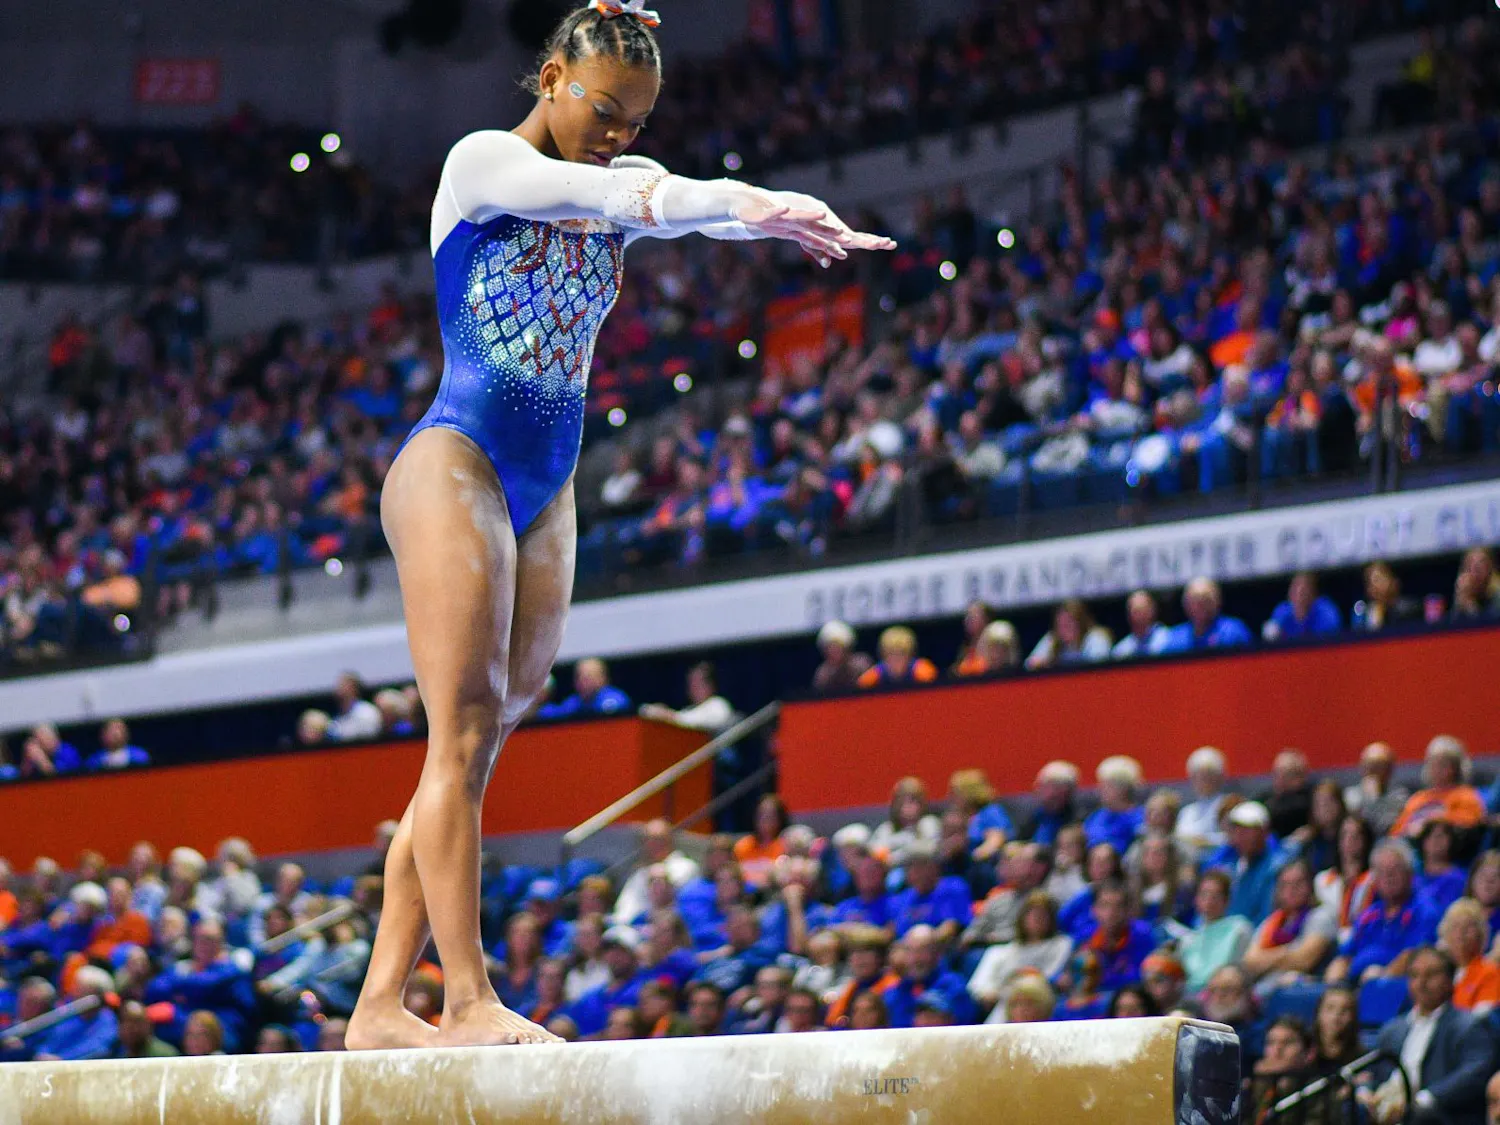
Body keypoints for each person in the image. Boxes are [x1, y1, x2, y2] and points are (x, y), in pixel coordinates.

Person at [345, 0, 893, 1048]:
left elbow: (662, 203)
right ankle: (463, 1000)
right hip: (454, 458)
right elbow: (616, 195)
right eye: (605, 108)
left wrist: (768, 210)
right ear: (552, 75)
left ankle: (378, 1005)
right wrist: (711, 199)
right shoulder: (482, 166)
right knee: (456, 734)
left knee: (487, 732)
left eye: (636, 121)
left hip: (548, 482)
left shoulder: (611, 185)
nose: (617, 134)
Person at [1363, 948, 1494, 1125]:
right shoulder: (1392, 1029)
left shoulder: (1469, 1025)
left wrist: (1424, 1100)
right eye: (1414, 975)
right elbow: (1372, 1073)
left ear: (1450, 981)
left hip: (1438, 1117)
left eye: (1431, 974)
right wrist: (1364, 1092)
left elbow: (1475, 1073)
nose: (1421, 982)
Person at [1326, 839, 1440, 986]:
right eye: (1381, 871)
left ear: (1410, 873)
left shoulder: (1425, 910)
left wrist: (1383, 977)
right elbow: (1345, 956)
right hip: (1357, 986)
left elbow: (1415, 955)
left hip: (1395, 987)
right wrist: (1334, 985)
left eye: (1395, 869)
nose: (1388, 876)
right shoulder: (1369, 914)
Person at [1241, 859, 1338, 990]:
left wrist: (1266, 959)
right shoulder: (1271, 922)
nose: (1291, 890)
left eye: (1299, 883)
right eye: (1285, 884)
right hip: (1265, 987)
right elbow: (1250, 962)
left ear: (1310, 886)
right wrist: (1287, 953)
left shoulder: (1322, 916)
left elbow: (1303, 960)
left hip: (1302, 989)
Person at [1391, 735, 1486, 839]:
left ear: (1456, 768)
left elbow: (1471, 822)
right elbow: (1395, 833)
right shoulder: (1417, 799)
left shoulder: (1465, 795)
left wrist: (1430, 822)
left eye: (1443, 764)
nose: (1436, 769)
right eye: (1433, 763)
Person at [1177, 870, 1253, 994]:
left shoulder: (1239, 929)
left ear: (1227, 900)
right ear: (1196, 899)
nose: (1209, 901)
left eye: (1216, 896)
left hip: (1224, 992)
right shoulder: (1188, 939)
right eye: (1204, 894)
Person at [1155, 578, 1252, 653]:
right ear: (1185, 605)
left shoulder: (1233, 631)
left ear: (1217, 601)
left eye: (1205, 600)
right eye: (1194, 601)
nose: (1199, 606)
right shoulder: (1174, 638)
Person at [1438, 899, 1500, 1016]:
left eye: (1468, 926)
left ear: (1481, 934)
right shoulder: (1439, 973)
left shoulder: (1489, 972)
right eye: (1455, 926)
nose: (1461, 933)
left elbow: (1481, 1022)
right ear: (1445, 933)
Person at [638, 661, 735, 734]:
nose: (692, 688)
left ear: (710, 685)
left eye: (697, 684)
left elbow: (693, 722)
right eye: (690, 684)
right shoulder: (689, 709)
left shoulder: (719, 705)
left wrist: (665, 714)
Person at [1344, 742, 1410, 838]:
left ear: (1389, 771)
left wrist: (1374, 798)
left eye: (1379, 766)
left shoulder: (1399, 796)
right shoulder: (1350, 795)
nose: (1373, 771)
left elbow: (1383, 829)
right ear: (1361, 768)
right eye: (1369, 765)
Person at [1175, 746, 1230, 859]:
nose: (1202, 781)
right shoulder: (1187, 811)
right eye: (1197, 776)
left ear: (1219, 777)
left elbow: (1232, 838)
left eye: (1207, 775)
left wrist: (1204, 841)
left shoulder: (1227, 806)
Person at [1263, 571, 1343, 642]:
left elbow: (1333, 638)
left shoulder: (1325, 611)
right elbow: (1270, 635)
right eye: (1295, 590)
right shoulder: (1282, 611)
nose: (1299, 596)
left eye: (1303, 591)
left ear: (1313, 593)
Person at [856, 627, 938, 689]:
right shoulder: (875, 674)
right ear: (883, 655)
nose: (896, 658)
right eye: (891, 653)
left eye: (901, 653)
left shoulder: (922, 670)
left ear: (911, 654)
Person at [811, 620, 872, 693]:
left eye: (837, 647)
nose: (833, 651)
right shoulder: (823, 675)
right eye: (829, 648)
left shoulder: (862, 666)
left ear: (847, 648)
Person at [1111, 590, 1168, 659]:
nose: (1138, 615)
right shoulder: (1121, 650)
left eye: (1142, 610)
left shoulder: (1168, 638)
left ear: (1153, 610)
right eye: (1135, 611)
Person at [84, 719, 150, 771]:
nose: (116, 734)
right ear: (103, 735)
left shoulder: (140, 756)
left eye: (119, 729)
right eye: (111, 730)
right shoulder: (94, 761)